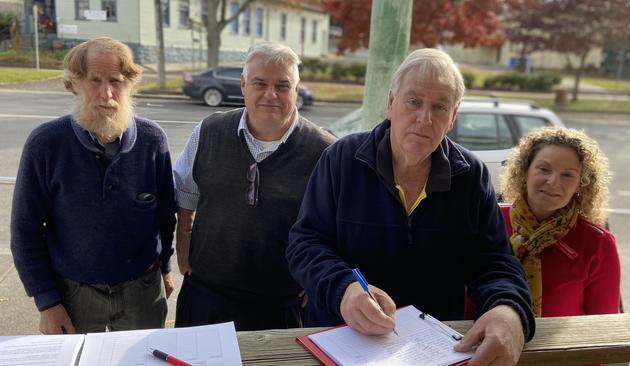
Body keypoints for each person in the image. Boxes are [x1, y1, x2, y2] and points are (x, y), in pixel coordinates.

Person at [286, 48, 535, 365]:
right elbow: (304, 244)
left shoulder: (471, 176)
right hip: (342, 342)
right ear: (391, 104)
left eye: (439, 107)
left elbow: (494, 261)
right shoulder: (341, 159)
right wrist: (343, 289)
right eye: (414, 102)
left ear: (452, 118)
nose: (424, 118)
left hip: (433, 353)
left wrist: (508, 309)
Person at [10, 37, 176, 334]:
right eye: (94, 80)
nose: (106, 93)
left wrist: (165, 267)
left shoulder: (153, 140)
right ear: (74, 82)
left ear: (131, 84)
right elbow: (26, 230)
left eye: (116, 80)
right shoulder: (45, 143)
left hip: (142, 290)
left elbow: (165, 215)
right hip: (73, 294)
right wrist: (47, 303)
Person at [173, 42, 335, 331]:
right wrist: (183, 246)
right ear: (244, 84)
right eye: (260, 83)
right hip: (206, 295)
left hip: (281, 304)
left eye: (283, 86)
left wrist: (317, 277)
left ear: (296, 91)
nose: (270, 95)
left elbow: (335, 226)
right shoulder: (208, 131)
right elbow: (186, 194)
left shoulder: (324, 151)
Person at [499, 127, 620, 317]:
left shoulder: (598, 243)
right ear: (525, 171)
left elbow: (603, 326)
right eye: (544, 169)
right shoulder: (488, 220)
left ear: (581, 184)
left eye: (568, 175)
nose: (553, 181)